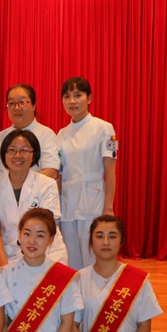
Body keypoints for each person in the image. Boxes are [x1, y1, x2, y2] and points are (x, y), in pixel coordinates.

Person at [57, 76, 117, 269]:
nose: (72, 101)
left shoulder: (104, 128)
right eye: (67, 96)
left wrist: (108, 208)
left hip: (92, 202)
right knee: (71, 261)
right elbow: (60, 174)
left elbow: (110, 171)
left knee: (92, 259)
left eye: (78, 95)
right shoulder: (62, 133)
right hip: (67, 204)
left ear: (89, 98)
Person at [0, 130, 66, 265]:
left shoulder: (47, 184)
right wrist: (4, 267)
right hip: (12, 256)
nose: (17, 155)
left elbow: (46, 226)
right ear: (4, 154)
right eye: (12, 150)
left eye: (24, 150)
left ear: (34, 154)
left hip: (48, 255)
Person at [0, 83, 59, 179]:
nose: (17, 107)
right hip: (6, 188)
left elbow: (51, 172)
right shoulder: (1, 136)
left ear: (34, 105)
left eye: (22, 102)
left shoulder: (46, 135)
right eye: (11, 103)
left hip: (37, 189)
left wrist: (20, 184)